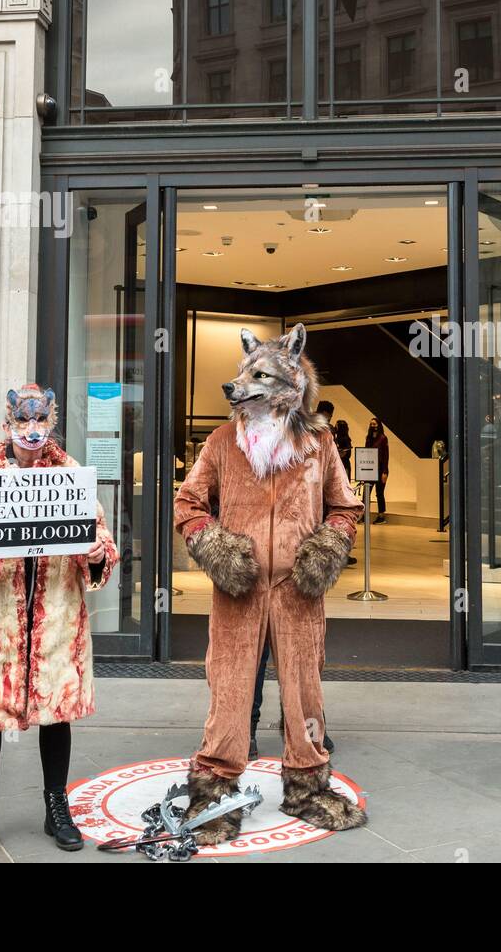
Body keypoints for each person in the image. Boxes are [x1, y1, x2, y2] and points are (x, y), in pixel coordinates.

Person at [177, 324, 365, 841]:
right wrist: (218, 551)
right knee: (231, 686)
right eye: (243, 374)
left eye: (258, 375)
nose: (241, 384)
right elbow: (189, 503)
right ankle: (215, 786)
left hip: (298, 590)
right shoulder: (221, 442)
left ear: (291, 380)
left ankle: (307, 783)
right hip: (238, 590)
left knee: (305, 688)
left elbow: (345, 506)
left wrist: (324, 551)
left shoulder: (319, 443)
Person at [0, 384, 118, 861]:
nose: (33, 432)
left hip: (57, 618)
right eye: (24, 422)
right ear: (8, 425)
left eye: (41, 423)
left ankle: (56, 805)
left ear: (51, 424)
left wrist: (98, 556)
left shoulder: (72, 476)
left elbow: (98, 536)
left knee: (57, 714)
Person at [366, 417, 390, 523]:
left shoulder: (383, 438)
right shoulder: (368, 438)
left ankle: (381, 516)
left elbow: (386, 456)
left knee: (379, 493)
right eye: (371, 424)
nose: (373, 426)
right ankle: (365, 514)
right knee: (366, 493)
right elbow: (365, 453)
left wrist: (384, 472)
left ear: (379, 425)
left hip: (381, 470)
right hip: (370, 469)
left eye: (374, 424)